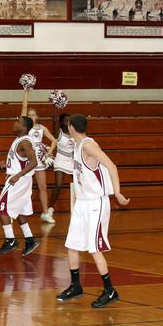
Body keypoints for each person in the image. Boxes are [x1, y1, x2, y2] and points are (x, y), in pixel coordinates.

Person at [57, 114, 130, 308]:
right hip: (82, 203)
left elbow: (111, 166)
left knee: (94, 249)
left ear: (72, 127)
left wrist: (117, 193)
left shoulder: (88, 146)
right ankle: (75, 285)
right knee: (72, 245)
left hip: (95, 204)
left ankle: (110, 290)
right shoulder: (77, 145)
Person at [0, 117, 40, 256]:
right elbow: (21, 160)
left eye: (18, 122)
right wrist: (7, 163)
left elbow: (34, 162)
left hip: (17, 181)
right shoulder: (19, 140)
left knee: (2, 209)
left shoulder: (24, 142)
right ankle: (30, 239)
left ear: (25, 128)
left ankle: (10, 240)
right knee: (20, 211)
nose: (15, 123)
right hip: (22, 180)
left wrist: (17, 175)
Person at [21, 90, 57, 223]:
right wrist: (26, 92)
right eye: (29, 115)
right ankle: (18, 212)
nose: (31, 116)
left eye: (33, 115)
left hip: (39, 160)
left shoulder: (42, 128)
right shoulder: (24, 127)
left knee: (43, 187)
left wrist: (48, 152)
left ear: (37, 117)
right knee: (23, 187)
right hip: (27, 159)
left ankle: (46, 213)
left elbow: (54, 140)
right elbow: (24, 107)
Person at [48, 114, 74, 217]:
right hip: (60, 160)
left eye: (69, 120)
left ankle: (81, 206)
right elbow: (54, 123)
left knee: (79, 184)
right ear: (62, 122)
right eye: (66, 121)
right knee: (58, 185)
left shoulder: (75, 132)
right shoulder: (59, 133)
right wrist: (55, 107)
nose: (68, 122)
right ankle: (50, 209)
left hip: (72, 161)